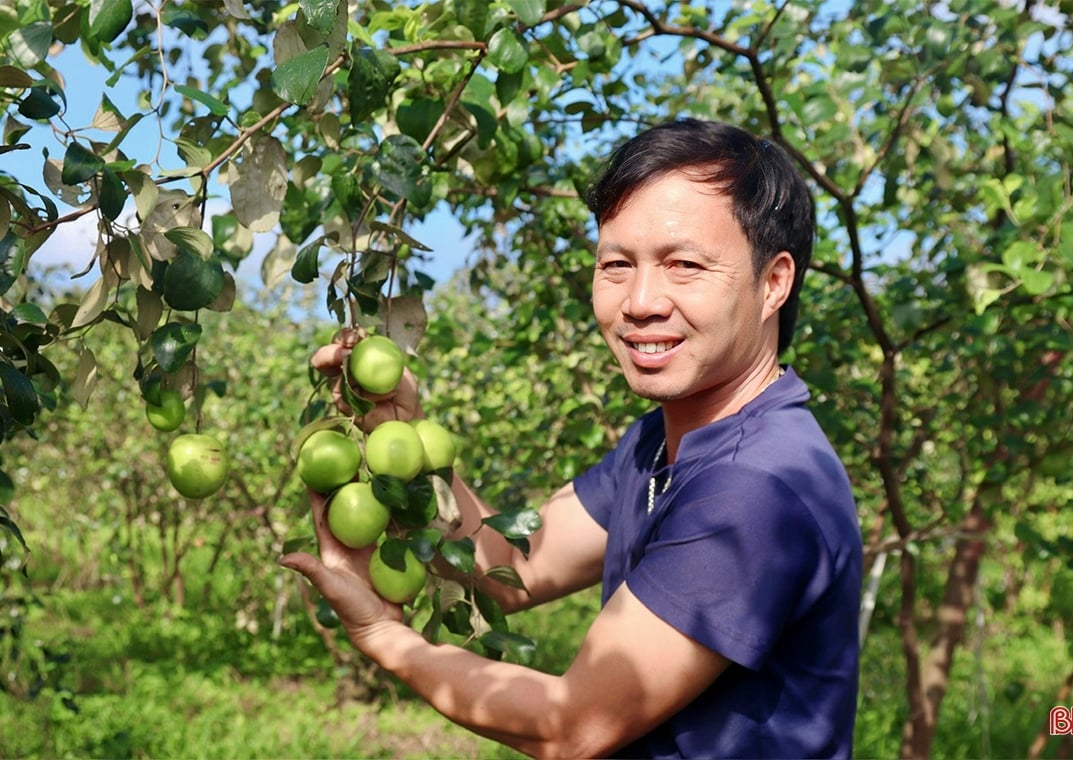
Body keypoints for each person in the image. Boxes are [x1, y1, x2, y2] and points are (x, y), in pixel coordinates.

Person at [280, 118, 863, 759]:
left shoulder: (758, 489)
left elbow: (573, 726)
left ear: (773, 282)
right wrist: (396, 427)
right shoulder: (662, 444)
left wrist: (385, 635)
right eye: (616, 264)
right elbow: (512, 569)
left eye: (684, 265)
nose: (640, 301)